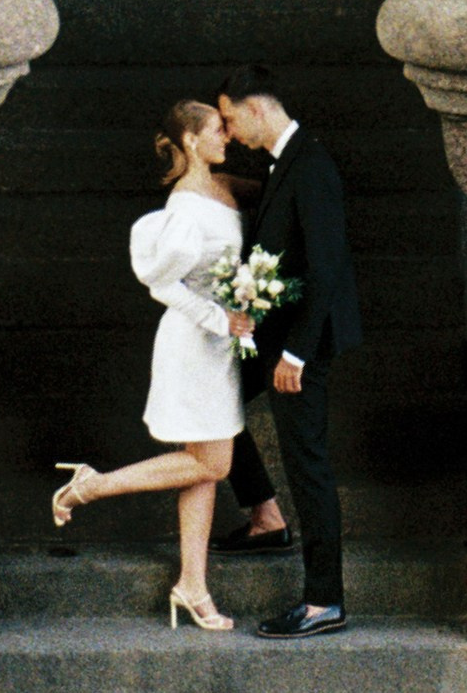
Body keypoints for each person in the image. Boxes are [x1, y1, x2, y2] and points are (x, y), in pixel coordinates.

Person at [48, 98, 255, 631]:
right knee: (214, 464)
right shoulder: (184, 205)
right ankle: (91, 486)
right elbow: (161, 285)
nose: (225, 137)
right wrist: (219, 319)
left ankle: (192, 585)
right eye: (216, 131)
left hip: (217, 345)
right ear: (190, 141)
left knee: (202, 464)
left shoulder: (220, 185)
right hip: (193, 342)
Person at [215, 62, 364, 640]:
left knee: (308, 466)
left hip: (303, 344)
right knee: (211, 397)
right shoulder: (286, 163)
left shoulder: (312, 164)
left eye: (230, 120)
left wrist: (297, 356)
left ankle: (324, 601)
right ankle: (264, 517)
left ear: (257, 109)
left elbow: (328, 269)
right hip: (274, 338)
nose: (229, 133)